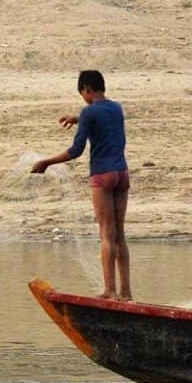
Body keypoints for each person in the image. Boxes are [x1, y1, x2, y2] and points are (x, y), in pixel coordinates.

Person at [31, 70, 131, 301]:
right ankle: (126, 293)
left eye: (82, 94)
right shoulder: (116, 108)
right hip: (122, 174)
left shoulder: (89, 111)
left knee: (106, 234)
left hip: (102, 176)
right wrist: (79, 119)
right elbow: (101, 119)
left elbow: (76, 151)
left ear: (86, 89)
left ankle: (110, 292)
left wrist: (47, 162)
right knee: (120, 236)